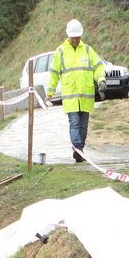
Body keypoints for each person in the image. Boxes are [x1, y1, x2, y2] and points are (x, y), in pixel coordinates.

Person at [46, 19, 106, 163]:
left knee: (83, 126)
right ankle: (77, 149)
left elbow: (98, 67)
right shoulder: (60, 51)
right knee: (74, 123)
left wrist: (101, 79)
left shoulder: (87, 50)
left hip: (86, 97)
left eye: (78, 37)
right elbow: (54, 74)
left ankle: (80, 149)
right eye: (73, 37)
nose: (75, 39)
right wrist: (49, 94)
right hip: (70, 97)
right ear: (68, 36)